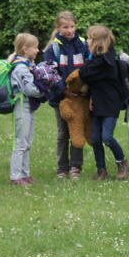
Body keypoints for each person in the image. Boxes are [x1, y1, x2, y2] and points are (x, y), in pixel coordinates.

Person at [78, 25, 128, 180]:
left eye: (89, 38)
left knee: (107, 137)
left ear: (97, 42)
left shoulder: (106, 61)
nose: (86, 41)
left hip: (110, 103)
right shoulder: (96, 58)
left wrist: (85, 68)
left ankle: (122, 162)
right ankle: (101, 169)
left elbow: (84, 74)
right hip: (97, 103)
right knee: (95, 139)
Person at [44, 11, 88, 179]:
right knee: (63, 133)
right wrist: (64, 90)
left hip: (81, 96)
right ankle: (62, 167)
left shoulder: (83, 44)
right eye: (65, 27)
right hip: (61, 97)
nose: (69, 30)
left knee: (77, 130)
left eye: (72, 27)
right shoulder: (53, 48)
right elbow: (49, 73)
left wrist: (84, 88)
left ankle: (76, 166)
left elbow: (89, 66)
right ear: (58, 28)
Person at [8, 33, 44, 185]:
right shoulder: (21, 68)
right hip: (22, 105)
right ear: (25, 49)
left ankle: (25, 173)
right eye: (35, 47)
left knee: (27, 141)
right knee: (21, 142)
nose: (37, 50)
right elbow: (30, 89)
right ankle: (15, 176)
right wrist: (45, 90)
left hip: (29, 106)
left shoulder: (29, 65)